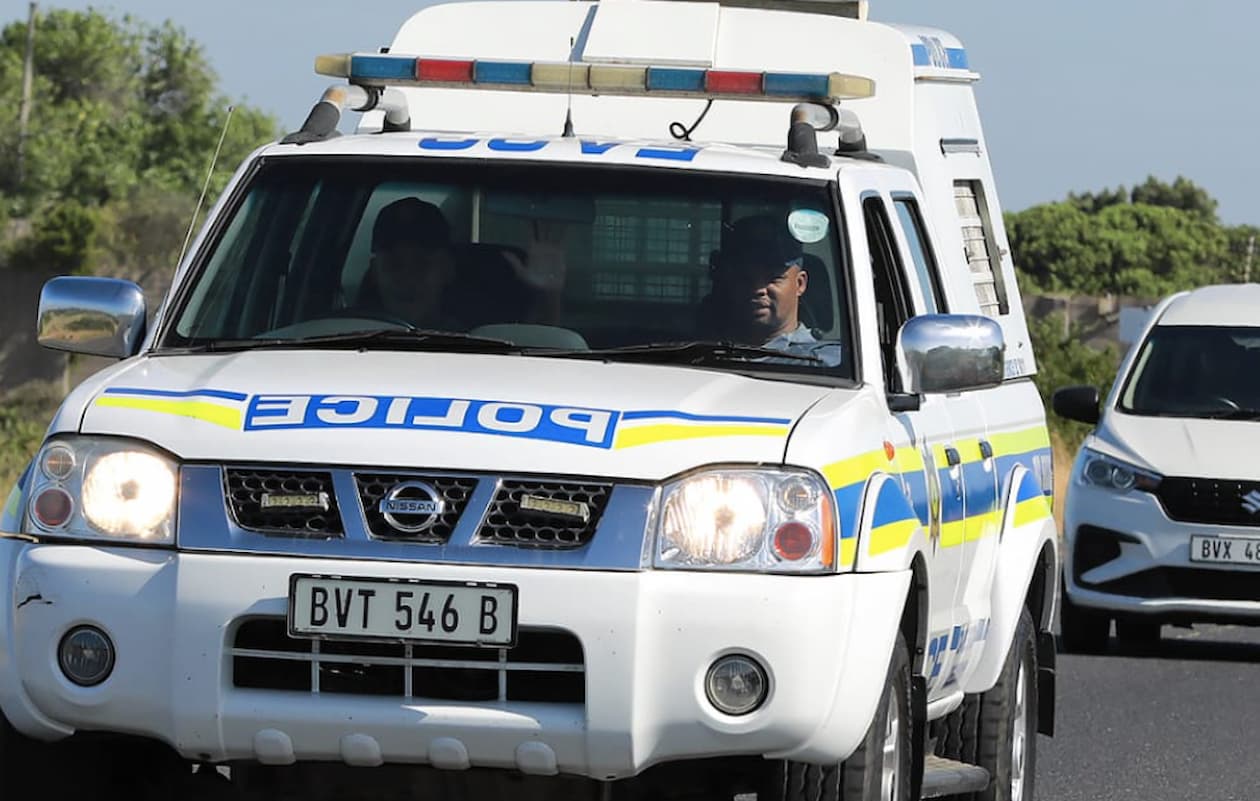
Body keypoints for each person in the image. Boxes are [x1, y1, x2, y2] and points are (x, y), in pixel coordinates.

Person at [706, 214, 842, 366]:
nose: (758, 289)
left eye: (773, 278)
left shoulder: (825, 364)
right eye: (745, 278)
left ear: (800, 283)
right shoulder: (699, 354)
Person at [363, 197, 458, 329]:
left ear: (447, 270)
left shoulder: (478, 346)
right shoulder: (342, 335)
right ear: (374, 272)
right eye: (393, 264)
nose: (407, 279)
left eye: (422, 264)